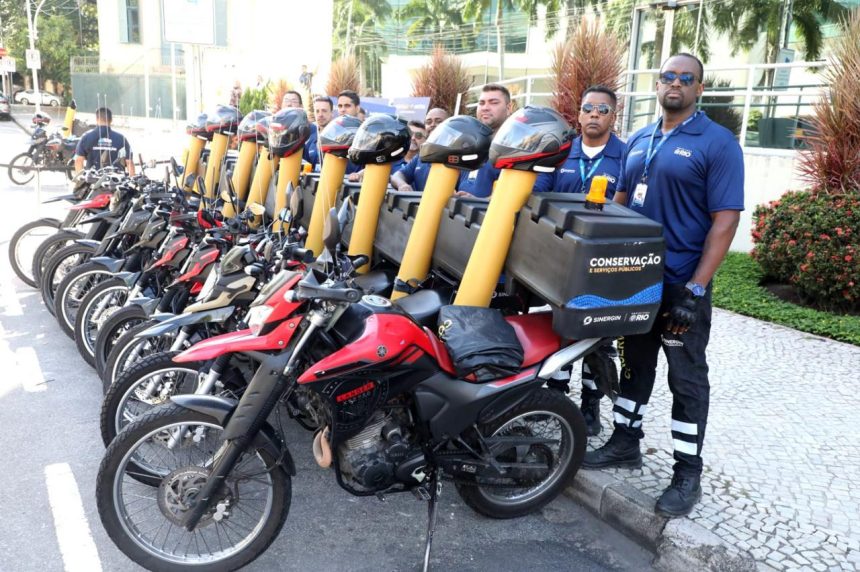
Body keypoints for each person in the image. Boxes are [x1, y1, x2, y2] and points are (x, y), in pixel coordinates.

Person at [582, 53, 744, 518]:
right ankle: (625, 441)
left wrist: (696, 289)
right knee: (636, 364)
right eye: (668, 76)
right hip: (639, 281)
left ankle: (687, 472)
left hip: (681, 286)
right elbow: (619, 202)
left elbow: (725, 221)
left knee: (685, 377)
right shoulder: (641, 138)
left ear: (699, 88)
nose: (676, 83)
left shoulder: (717, 142)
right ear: (657, 84)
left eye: (686, 78)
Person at [532, 85, 627, 437]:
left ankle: (591, 405)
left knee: (598, 338)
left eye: (603, 110)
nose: (594, 115)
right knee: (560, 326)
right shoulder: (562, 151)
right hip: (562, 257)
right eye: (588, 108)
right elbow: (538, 193)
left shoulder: (626, 155)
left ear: (613, 116)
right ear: (579, 113)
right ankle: (555, 397)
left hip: (606, 263)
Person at [456, 84, 512, 198]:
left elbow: (524, 192)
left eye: (494, 103)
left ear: (509, 108)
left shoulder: (516, 148)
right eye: (481, 103)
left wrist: (480, 202)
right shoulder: (468, 146)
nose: (485, 108)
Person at [74, 107, 134, 176]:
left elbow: (78, 160)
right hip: (116, 180)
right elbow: (129, 162)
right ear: (111, 120)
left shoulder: (86, 137)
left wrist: (81, 178)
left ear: (96, 119)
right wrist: (131, 179)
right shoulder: (121, 138)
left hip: (93, 180)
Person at [304, 95, 333, 171]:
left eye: (324, 111)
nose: (320, 115)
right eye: (317, 111)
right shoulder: (309, 139)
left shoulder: (340, 138)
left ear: (331, 113)